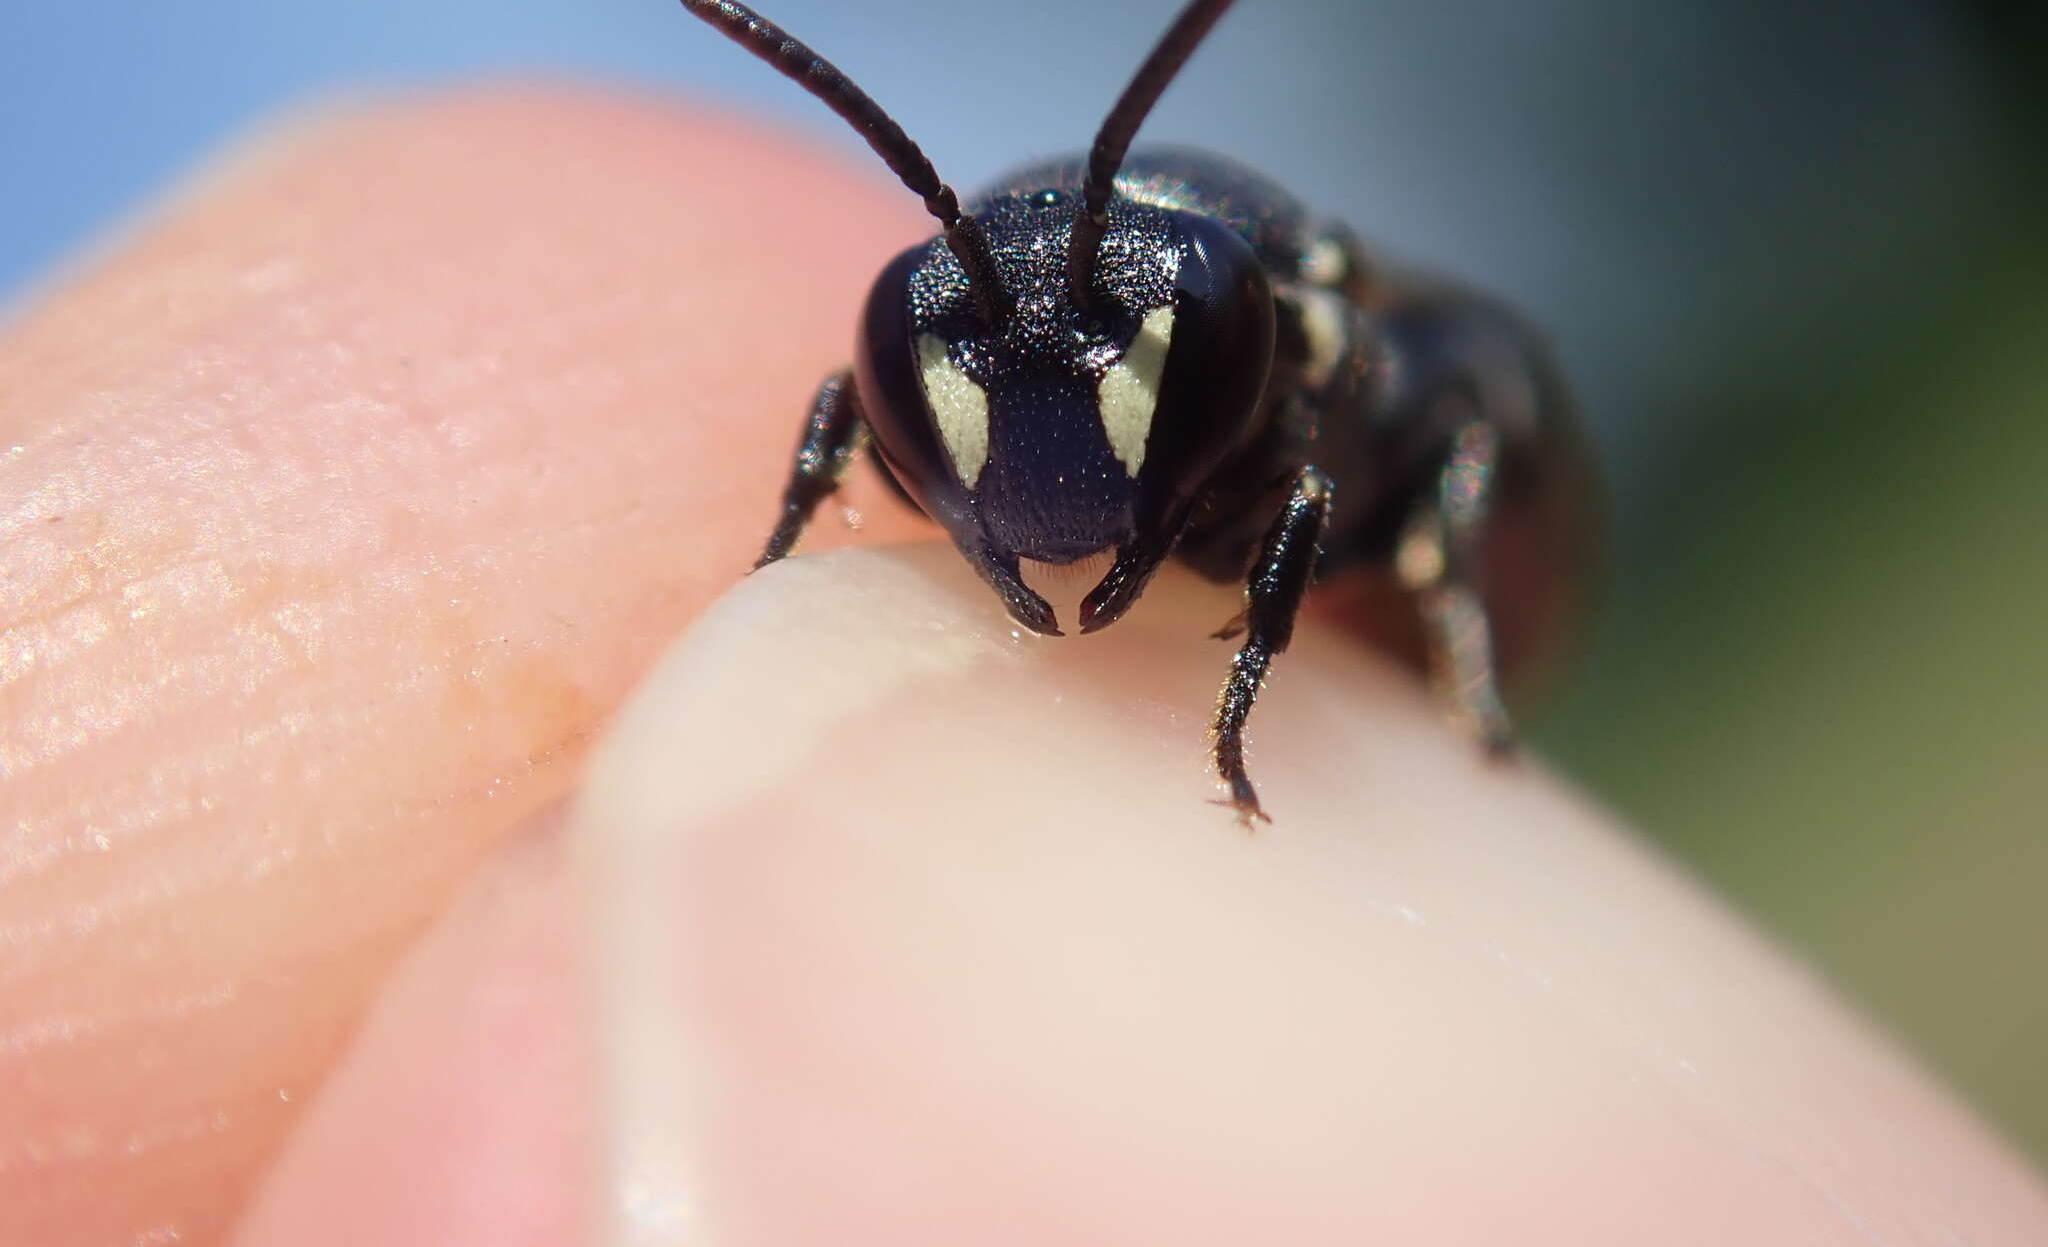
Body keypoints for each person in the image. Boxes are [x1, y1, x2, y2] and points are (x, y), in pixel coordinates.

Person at [3, 90, 2043, 1245]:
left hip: (1399, 582)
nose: (1042, 445)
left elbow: (1449, 397)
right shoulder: (922, 357)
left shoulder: (1295, 348)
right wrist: (780, 556)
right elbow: (847, 395)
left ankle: (1452, 676)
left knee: (1480, 370)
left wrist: (1310, 671)